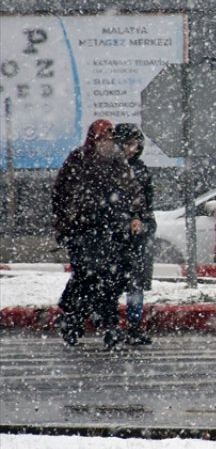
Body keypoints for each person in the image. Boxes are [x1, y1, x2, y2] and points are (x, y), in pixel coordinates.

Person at [51, 119, 139, 347]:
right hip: (83, 230)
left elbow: (131, 190)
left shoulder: (117, 162)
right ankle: (73, 319)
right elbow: (61, 193)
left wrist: (132, 214)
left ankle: (108, 324)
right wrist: (67, 223)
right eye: (103, 138)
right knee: (86, 277)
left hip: (110, 230)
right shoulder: (78, 159)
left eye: (110, 139)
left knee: (111, 278)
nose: (107, 143)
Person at [112, 123, 155, 347]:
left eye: (134, 144)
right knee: (111, 282)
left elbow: (147, 204)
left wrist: (142, 223)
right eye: (126, 144)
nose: (131, 149)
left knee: (135, 285)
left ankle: (134, 326)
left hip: (137, 240)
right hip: (115, 238)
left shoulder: (140, 170)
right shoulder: (109, 169)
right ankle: (110, 326)